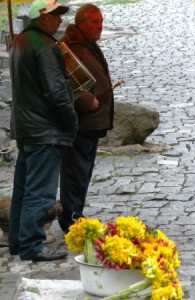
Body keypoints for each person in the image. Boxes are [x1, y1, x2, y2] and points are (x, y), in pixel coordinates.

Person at [8, 0, 78, 261]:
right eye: (56, 15)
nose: (60, 20)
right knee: (40, 191)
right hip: (44, 130)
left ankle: (18, 240)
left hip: (27, 128)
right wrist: (71, 121)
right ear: (42, 18)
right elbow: (56, 92)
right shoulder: (46, 47)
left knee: (24, 189)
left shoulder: (19, 42)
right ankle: (32, 245)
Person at [58, 4, 114, 232]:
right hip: (80, 123)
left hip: (91, 124)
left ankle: (75, 215)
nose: (99, 26)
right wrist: (83, 100)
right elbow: (64, 85)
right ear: (80, 22)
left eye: (101, 21)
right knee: (75, 173)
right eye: (94, 22)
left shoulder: (87, 44)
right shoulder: (69, 47)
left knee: (82, 172)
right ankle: (71, 220)